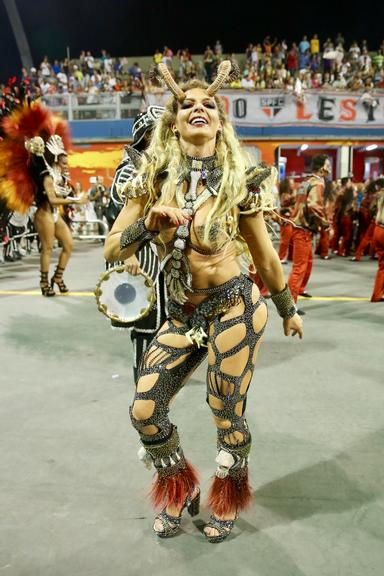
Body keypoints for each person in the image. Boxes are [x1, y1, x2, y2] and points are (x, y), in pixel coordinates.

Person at [104, 61, 303, 542]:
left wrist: (287, 308)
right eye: (187, 104)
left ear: (220, 121)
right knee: (145, 410)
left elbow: (265, 256)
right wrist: (148, 224)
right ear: (173, 121)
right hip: (181, 311)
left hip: (234, 303)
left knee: (225, 407)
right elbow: (113, 249)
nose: (198, 108)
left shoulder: (240, 182)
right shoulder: (150, 179)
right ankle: (178, 487)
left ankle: (228, 495)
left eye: (208, 104)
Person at [0, 102, 88, 295]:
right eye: (64, 162)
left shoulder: (58, 174)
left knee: (68, 245)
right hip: (44, 214)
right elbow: (54, 200)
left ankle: (57, 277)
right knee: (47, 249)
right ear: (56, 159)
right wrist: (75, 201)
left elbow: (60, 195)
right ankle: (43, 283)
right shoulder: (46, 175)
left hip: (55, 215)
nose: (67, 166)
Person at [108, 105, 167, 381]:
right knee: (146, 322)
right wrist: (127, 256)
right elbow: (115, 215)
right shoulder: (128, 169)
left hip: (163, 257)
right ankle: (143, 385)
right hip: (139, 255)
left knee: (166, 320)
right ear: (145, 135)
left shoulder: (166, 166)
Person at [288, 155, 330, 311]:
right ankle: (291, 305)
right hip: (303, 229)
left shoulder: (306, 181)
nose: (330, 168)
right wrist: (325, 223)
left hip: (298, 226)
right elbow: (314, 206)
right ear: (321, 167)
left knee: (308, 263)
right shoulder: (317, 183)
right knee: (299, 267)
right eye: (328, 165)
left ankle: (300, 289)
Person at [370, 178, 384, 302]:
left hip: (377, 229)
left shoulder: (380, 196)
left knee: (382, 266)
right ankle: (378, 294)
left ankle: (377, 294)